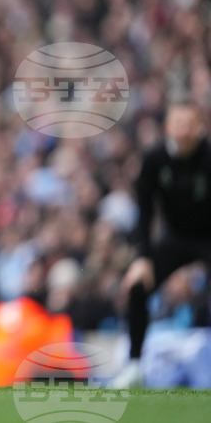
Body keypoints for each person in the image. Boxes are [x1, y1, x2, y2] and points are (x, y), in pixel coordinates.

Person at [111, 100, 211, 388]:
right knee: (137, 286)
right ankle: (134, 366)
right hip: (174, 238)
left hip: (208, 237)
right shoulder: (154, 159)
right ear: (168, 128)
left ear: (200, 128)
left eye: (190, 125)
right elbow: (144, 213)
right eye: (178, 125)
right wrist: (142, 258)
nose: (184, 131)